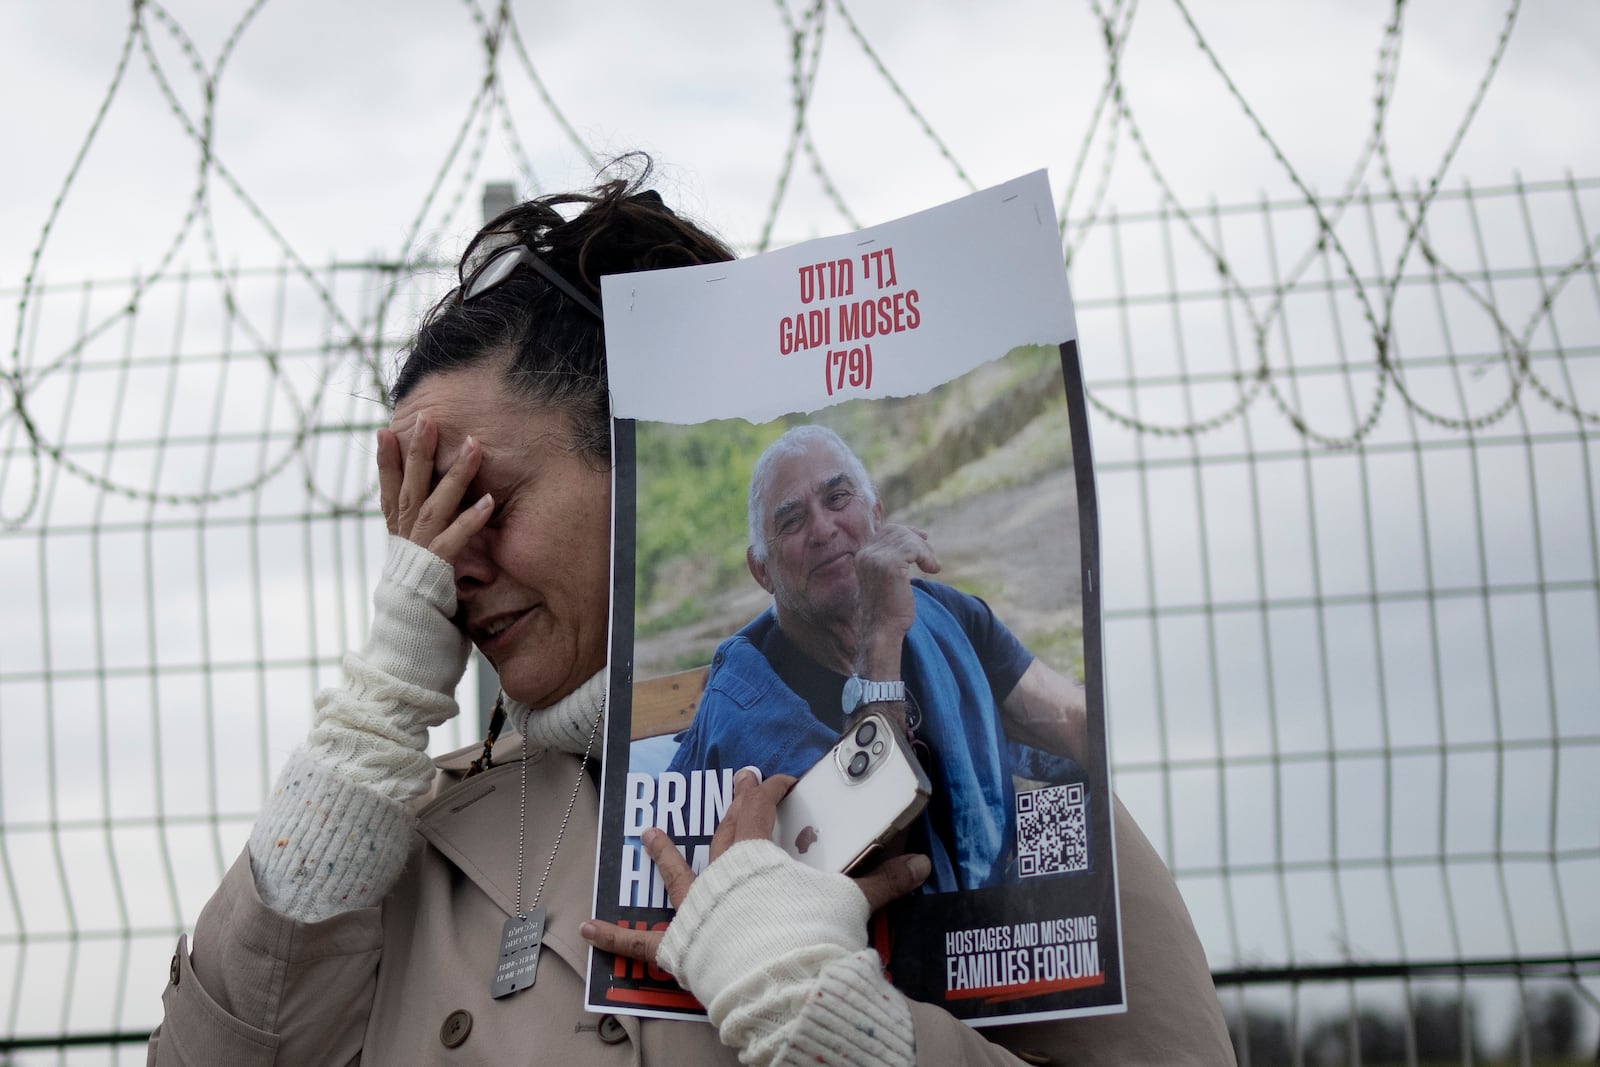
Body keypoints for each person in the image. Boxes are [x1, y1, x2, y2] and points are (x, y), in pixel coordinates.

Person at [148, 165, 1236, 1065]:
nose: (447, 566)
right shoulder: (398, 840)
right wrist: (362, 733)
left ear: (633, 464)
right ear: (757, 566)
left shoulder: (996, 760)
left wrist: (842, 1028)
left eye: (489, 500)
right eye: (419, 522)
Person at [667, 424, 1089, 892]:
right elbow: (872, 858)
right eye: (791, 521)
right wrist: (881, 636)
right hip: (870, 947)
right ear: (761, 570)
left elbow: (1066, 717)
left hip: (990, 914)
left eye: (837, 498)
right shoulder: (749, 707)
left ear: (876, 513)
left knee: (1100, 824)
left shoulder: (945, 615)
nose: (823, 529)